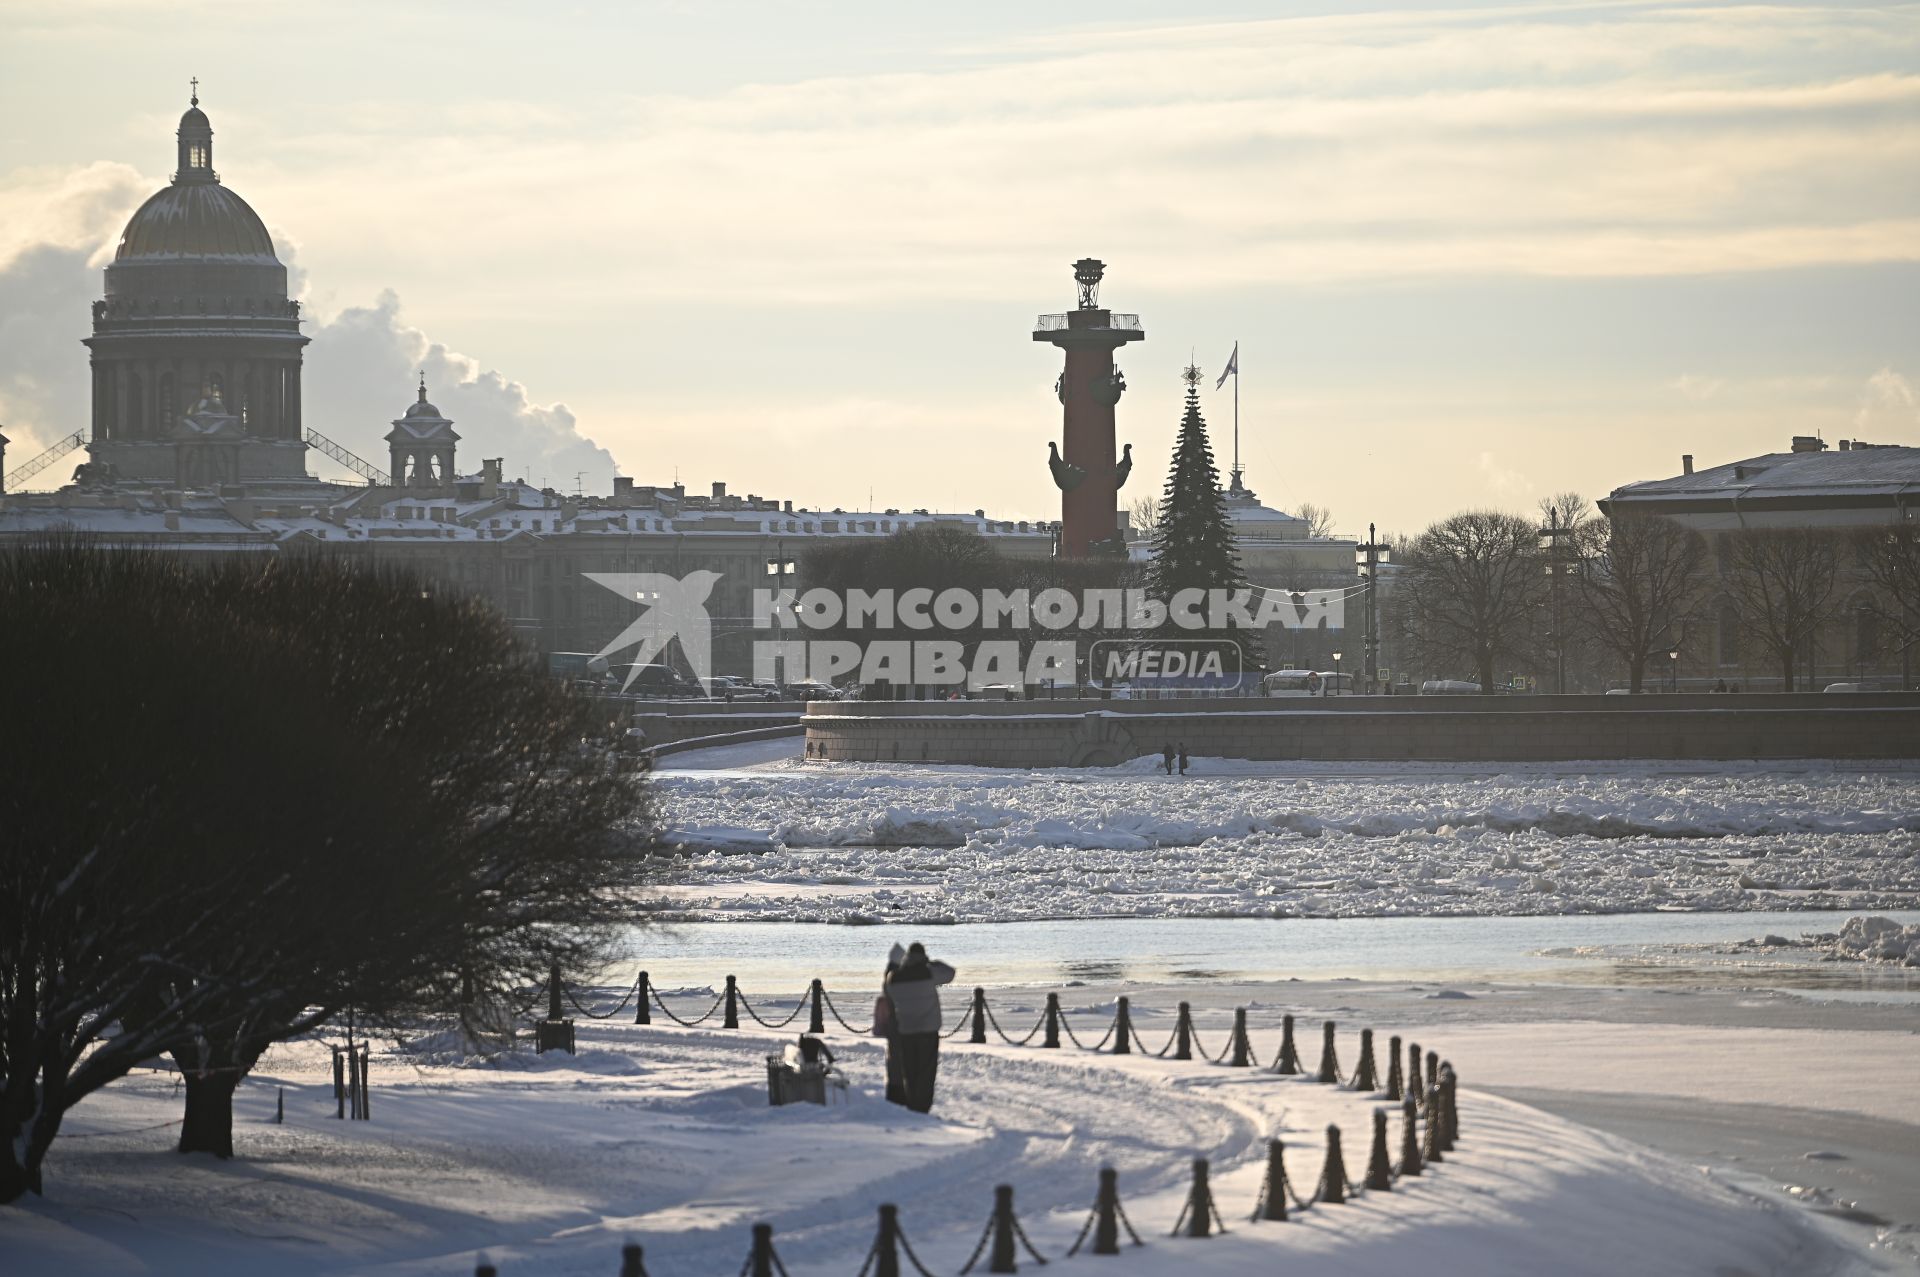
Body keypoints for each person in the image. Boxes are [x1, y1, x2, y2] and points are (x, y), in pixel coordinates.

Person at [883, 941, 955, 1113]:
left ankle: (911, 1103)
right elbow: (950, 972)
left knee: (909, 1069)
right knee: (926, 1071)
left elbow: (888, 990)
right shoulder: (929, 972)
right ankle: (922, 1106)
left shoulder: (895, 977)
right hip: (928, 1030)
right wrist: (929, 962)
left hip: (906, 1030)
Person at [877, 944, 908, 1105]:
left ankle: (895, 1091)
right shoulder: (896, 976)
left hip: (892, 1024)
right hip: (898, 1023)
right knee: (898, 1059)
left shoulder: (889, 974)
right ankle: (897, 1093)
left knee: (894, 1059)